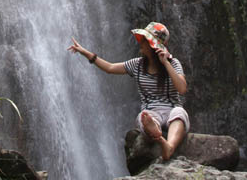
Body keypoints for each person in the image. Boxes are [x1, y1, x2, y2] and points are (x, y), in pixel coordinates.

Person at [68, 21, 189, 161]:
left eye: (144, 40)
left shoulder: (173, 63)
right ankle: (158, 135)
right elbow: (110, 68)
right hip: (151, 111)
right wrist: (85, 53)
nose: (140, 43)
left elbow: (182, 88)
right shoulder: (137, 65)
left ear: (153, 46)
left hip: (172, 109)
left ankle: (169, 146)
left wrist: (166, 63)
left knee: (179, 113)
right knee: (145, 117)